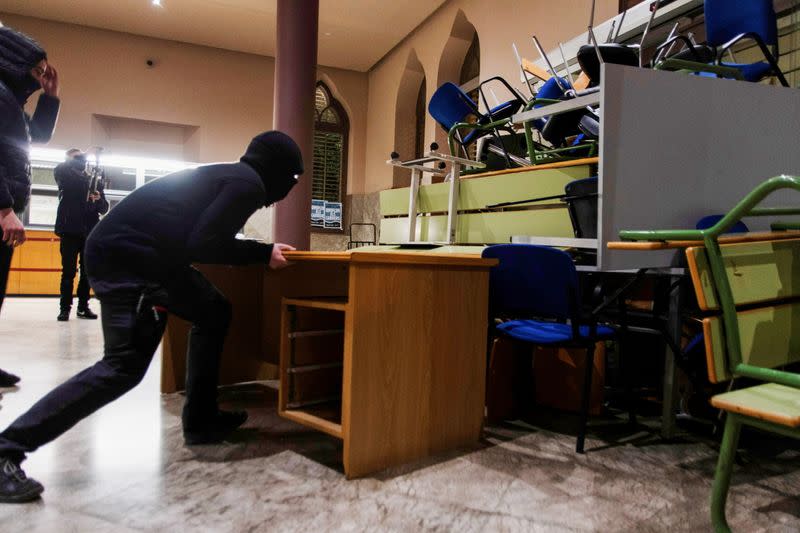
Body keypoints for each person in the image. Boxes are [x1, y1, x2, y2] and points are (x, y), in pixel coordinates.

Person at [0, 130, 302, 503]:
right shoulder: (248, 185)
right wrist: (264, 253)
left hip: (150, 256)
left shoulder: (232, 176)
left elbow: (195, 236)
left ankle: (201, 418)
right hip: (128, 261)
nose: (290, 189)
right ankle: (7, 447)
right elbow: (204, 242)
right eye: (293, 179)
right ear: (278, 171)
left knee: (213, 310)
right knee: (122, 367)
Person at [0, 26, 60, 387]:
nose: (40, 77)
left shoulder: (11, 101)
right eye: (37, 71)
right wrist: (5, 209)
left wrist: (51, 97)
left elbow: (35, 136)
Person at [54, 148, 108, 321]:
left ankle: (83, 307)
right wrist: (83, 155)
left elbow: (104, 208)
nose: (80, 161)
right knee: (68, 272)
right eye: (76, 159)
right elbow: (64, 170)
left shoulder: (94, 181)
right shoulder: (64, 175)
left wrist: (98, 199)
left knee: (86, 273)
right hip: (70, 231)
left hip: (89, 233)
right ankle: (65, 309)